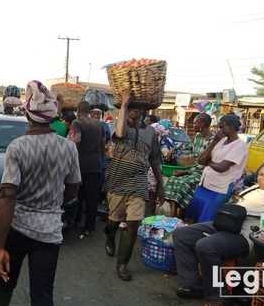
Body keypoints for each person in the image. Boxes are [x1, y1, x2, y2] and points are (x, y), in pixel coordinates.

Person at [173, 162, 264, 303]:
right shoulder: (253, 189)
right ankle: (192, 285)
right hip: (225, 224)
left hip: (244, 233)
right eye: (261, 174)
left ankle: (217, 292)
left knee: (206, 246)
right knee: (182, 234)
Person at [0, 80, 81, 306]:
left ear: (27, 113)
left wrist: (0, 245)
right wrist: (54, 201)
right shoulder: (68, 147)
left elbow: (7, 196)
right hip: (49, 231)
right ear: (51, 116)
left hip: (18, 227)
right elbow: (73, 188)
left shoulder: (17, 147)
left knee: (4, 283)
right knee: (42, 294)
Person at [102, 94, 163, 281]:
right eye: (131, 107)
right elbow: (119, 135)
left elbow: (154, 159)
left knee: (133, 224)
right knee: (113, 221)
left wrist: (161, 185)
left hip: (138, 182)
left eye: (138, 107)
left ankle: (122, 265)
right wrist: (124, 106)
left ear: (145, 110)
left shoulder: (151, 133)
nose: (135, 110)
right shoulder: (120, 126)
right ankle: (110, 235)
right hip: (117, 181)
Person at [185, 114, 248, 223]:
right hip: (205, 184)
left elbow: (222, 167)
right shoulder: (220, 141)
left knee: (206, 219)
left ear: (232, 127)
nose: (219, 130)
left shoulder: (240, 146)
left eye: (222, 127)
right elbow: (200, 160)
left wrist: (208, 163)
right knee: (193, 216)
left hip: (220, 187)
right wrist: (214, 142)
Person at [69, 101, 105, 239]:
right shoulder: (98, 124)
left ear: (78, 110)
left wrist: (71, 163)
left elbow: (75, 143)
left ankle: (76, 221)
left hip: (80, 166)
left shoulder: (76, 123)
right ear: (89, 111)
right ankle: (90, 226)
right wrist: (101, 159)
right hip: (95, 166)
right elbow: (103, 144)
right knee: (92, 198)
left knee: (77, 195)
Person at [164, 113, 215, 209]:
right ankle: (174, 215)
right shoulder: (198, 137)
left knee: (182, 184)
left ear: (203, 124)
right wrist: (173, 150)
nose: (193, 125)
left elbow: (206, 163)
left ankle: (178, 215)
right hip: (193, 170)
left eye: (196, 123)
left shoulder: (212, 141)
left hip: (203, 173)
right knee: (172, 179)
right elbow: (188, 147)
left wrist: (185, 172)